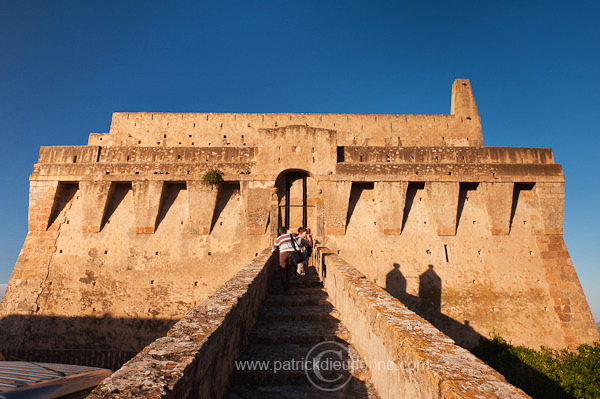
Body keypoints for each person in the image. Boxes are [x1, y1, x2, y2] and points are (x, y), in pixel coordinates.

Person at [272, 226, 296, 291]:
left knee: (282, 269)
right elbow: (296, 244)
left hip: (283, 254)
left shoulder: (279, 238)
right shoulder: (291, 236)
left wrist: (272, 252)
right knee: (289, 269)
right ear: (285, 231)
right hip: (292, 253)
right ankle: (288, 284)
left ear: (280, 232)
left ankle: (284, 285)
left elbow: (274, 247)